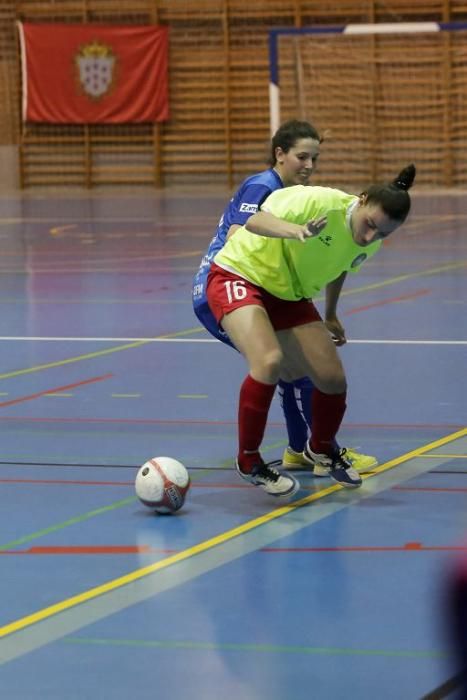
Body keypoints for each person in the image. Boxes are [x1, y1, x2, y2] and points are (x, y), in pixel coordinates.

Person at [205, 164, 416, 497]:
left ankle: (320, 448)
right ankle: (249, 460)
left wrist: (330, 313)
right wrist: (295, 230)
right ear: (361, 201)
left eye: (383, 234)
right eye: (371, 225)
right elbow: (253, 220)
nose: (371, 236)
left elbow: (343, 265)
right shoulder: (316, 202)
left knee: (332, 379)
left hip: (289, 293)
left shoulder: (370, 241)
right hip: (239, 274)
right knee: (269, 361)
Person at [192, 119, 376, 477]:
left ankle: (302, 449)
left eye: (315, 159)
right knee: (291, 368)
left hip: (265, 286)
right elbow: (236, 234)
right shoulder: (264, 185)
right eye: (301, 157)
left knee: (301, 369)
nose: (309, 166)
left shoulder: (298, 196)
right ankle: (311, 450)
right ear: (280, 154)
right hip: (226, 284)